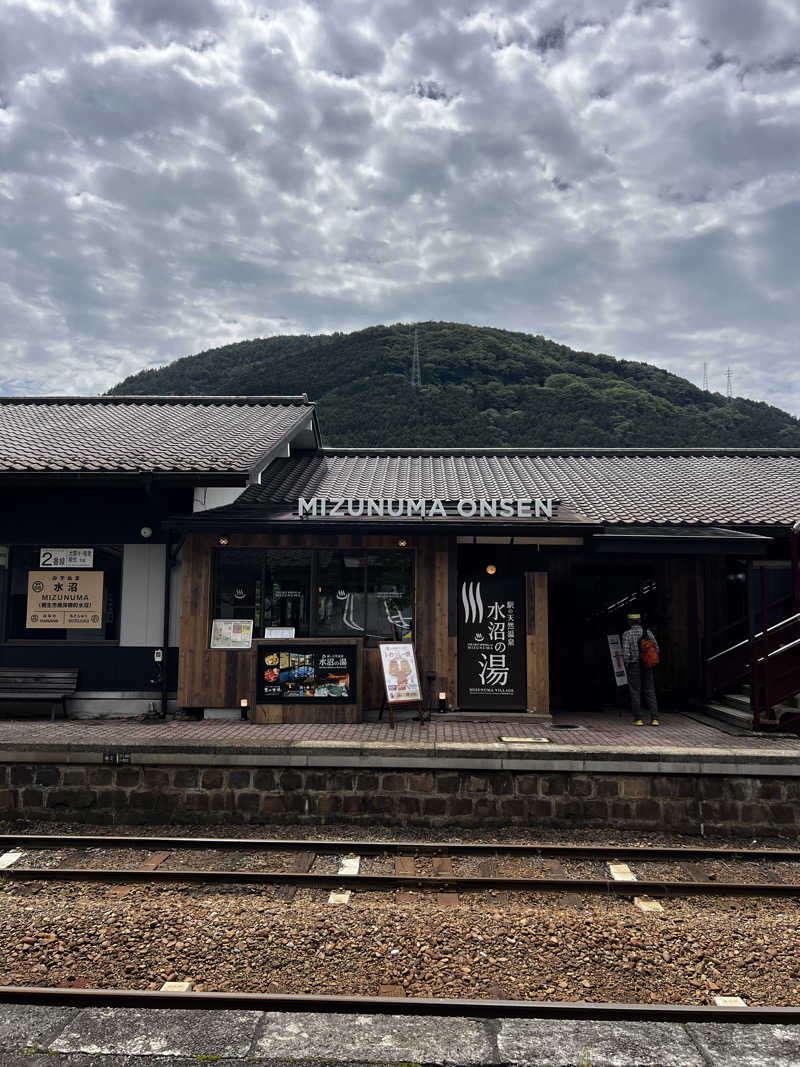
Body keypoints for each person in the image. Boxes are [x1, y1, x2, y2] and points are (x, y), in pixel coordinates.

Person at [622, 612, 660, 726]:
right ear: (640, 621)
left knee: (635, 692)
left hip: (634, 665)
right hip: (647, 665)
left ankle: (638, 719)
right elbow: (657, 649)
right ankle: (654, 719)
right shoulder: (648, 632)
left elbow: (626, 653)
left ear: (629, 622)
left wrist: (627, 665)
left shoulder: (627, 634)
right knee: (650, 691)